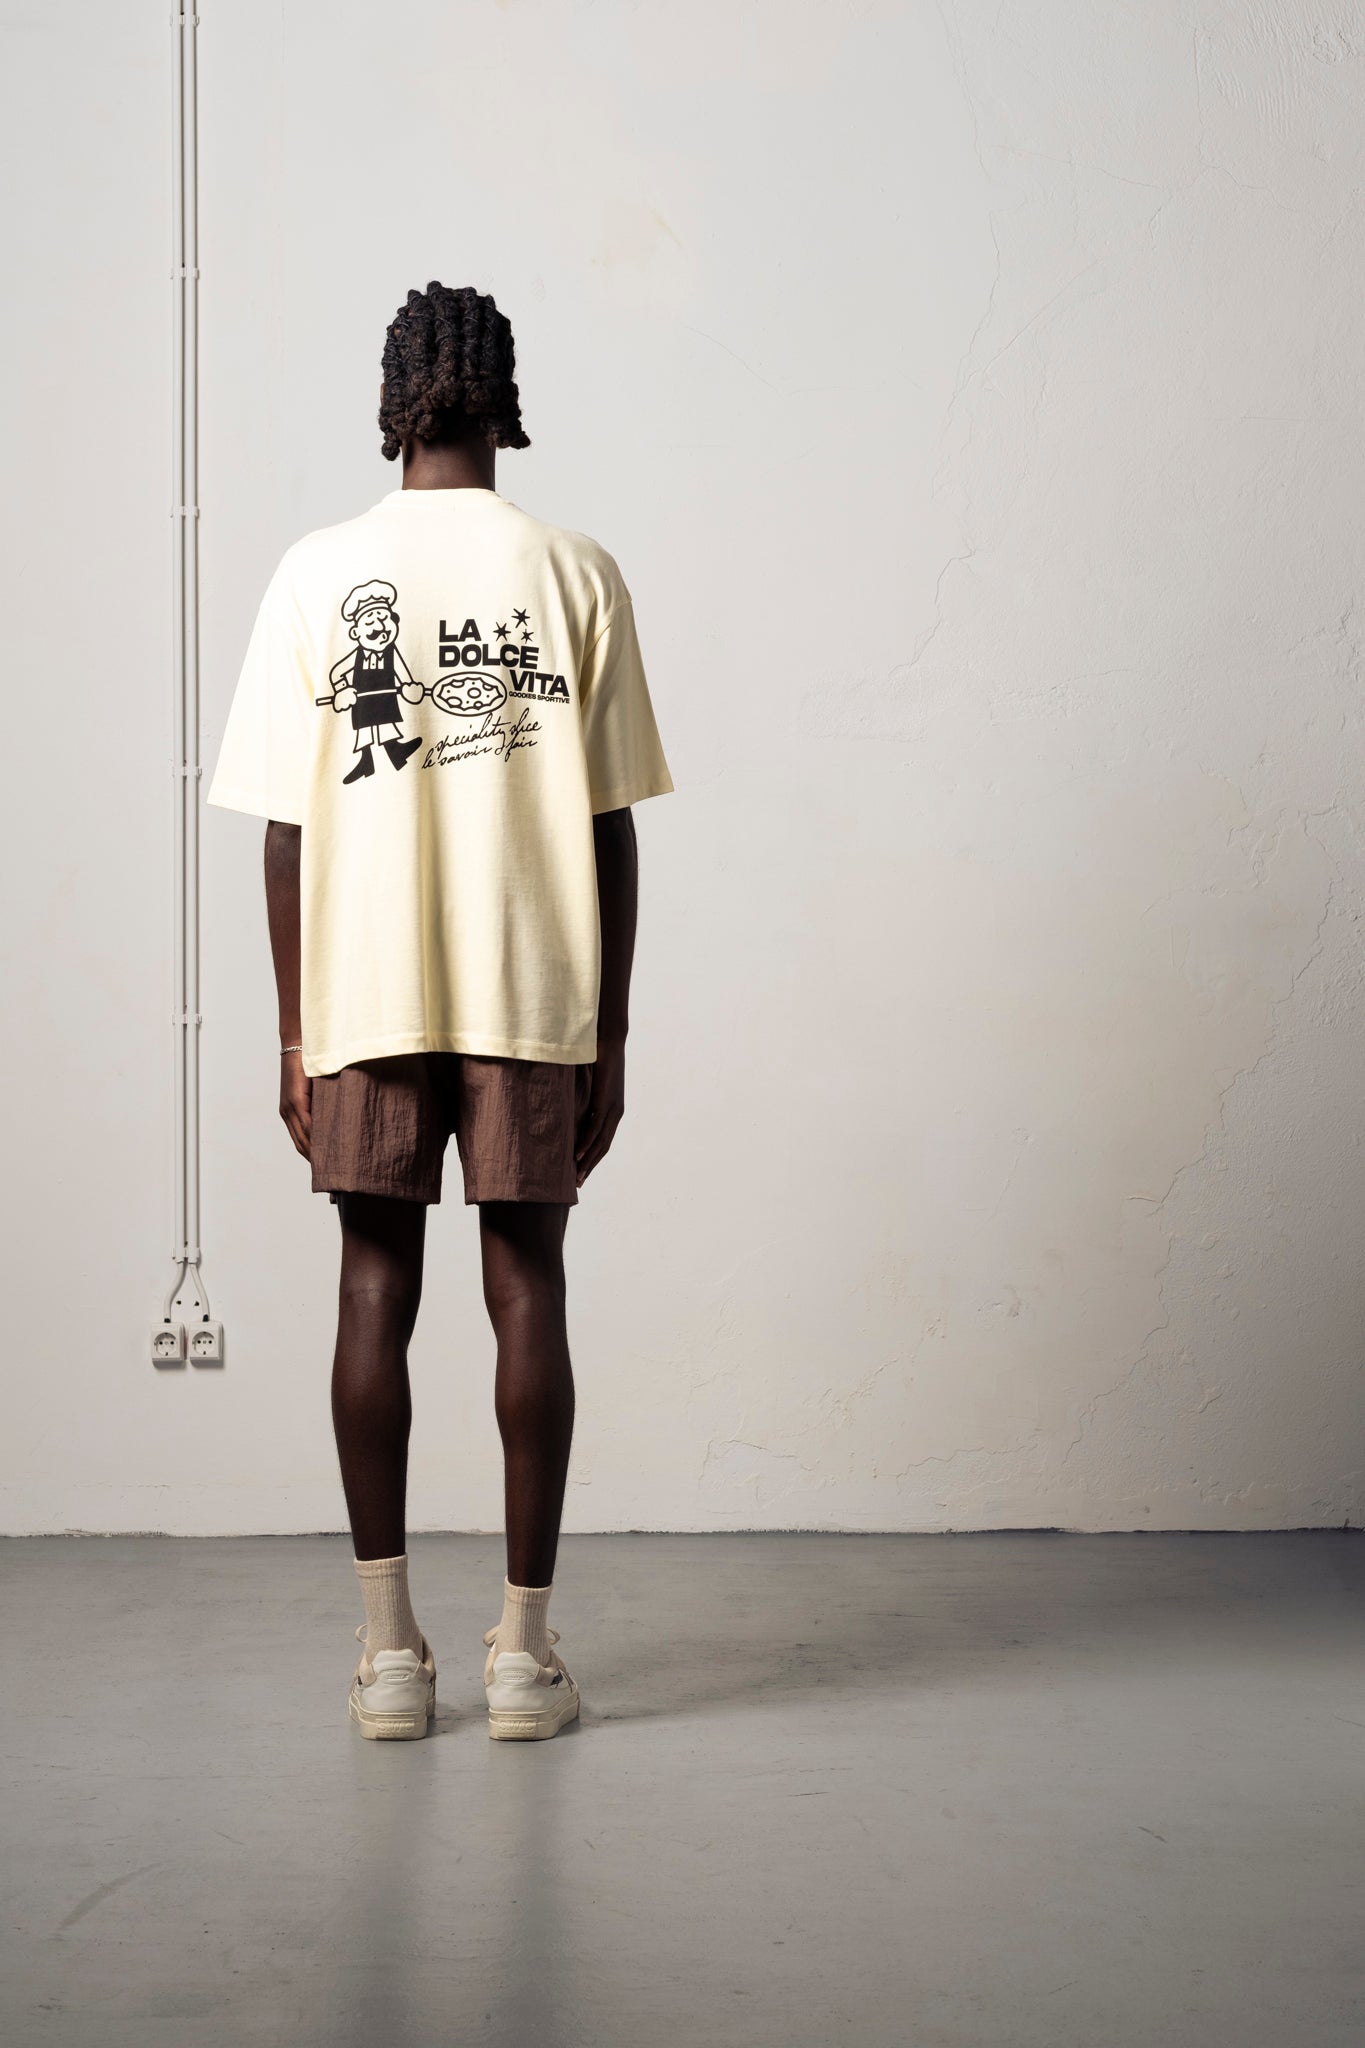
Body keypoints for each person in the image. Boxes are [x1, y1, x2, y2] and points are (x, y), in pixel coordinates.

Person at [207, 281, 674, 1741]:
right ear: (505, 402)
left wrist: (295, 1034)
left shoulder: (315, 571)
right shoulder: (576, 571)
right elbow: (608, 827)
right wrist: (609, 1029)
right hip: (533, 990)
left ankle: (391, 1658)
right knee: (527, 1284)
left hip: (364, 985)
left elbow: (285, 832)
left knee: (372, 1287)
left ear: (393, 401)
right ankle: (523, 1659)